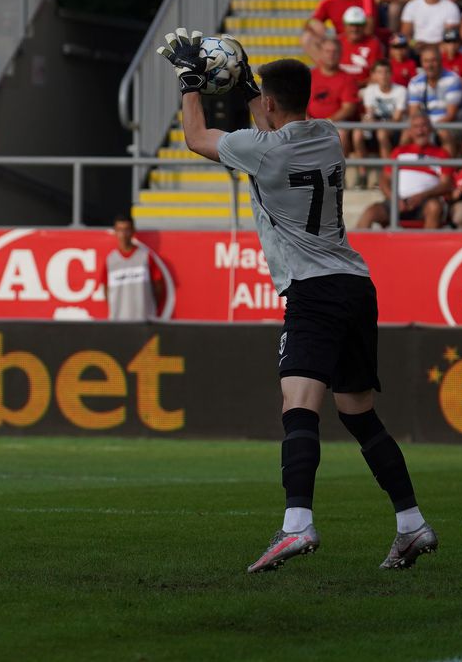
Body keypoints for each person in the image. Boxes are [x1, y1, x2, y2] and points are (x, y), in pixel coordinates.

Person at [157, 31, 436, 572]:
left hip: (312, 290)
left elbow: (195, 137)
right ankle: (411, 524)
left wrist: (192, 85)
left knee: (298, 407)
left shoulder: (259, 151)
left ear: (267, 104)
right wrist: (247, 89)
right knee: (359, 415)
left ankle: (297, 525)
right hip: (355, 284)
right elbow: (268, 124)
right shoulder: (328, 135)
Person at [357, 112, 454, 229]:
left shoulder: (442, 154)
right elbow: (384, 179)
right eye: (416, 127)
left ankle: (426, 247)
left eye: (424, 126)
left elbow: (447, 184)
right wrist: (394, 199)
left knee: (434, 207)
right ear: (410, 131)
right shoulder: (399, 152)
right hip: (397, 201)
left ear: (430, 129)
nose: (420, 131)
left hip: (426, 201)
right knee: (370, 213)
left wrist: (422, 196)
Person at [301, 0, 377, 60]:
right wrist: (313, 23)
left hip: (360, 40)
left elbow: (369, 28)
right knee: (307, 38)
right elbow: (309, 22)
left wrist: (352, 35)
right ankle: (326, 69)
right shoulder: (329, 0)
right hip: (339, 42)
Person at [103, 215, 164, 321]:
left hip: (144, 321)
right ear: (115, 232)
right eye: (120, 230)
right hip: (118, 321)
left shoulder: (145, 256)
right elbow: (106, 289)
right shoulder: (110, 260)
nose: (123, 234)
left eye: (126, 230)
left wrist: (149, 308)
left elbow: (158, 286)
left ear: (133, 231)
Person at [408, 44, 462, 151]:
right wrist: (423, 127)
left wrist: (429, 128)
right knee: (406, 134)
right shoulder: (415, 82)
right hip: (424, 123)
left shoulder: (453, 80)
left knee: (444, 133)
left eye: (433, 60)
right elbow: (413, 113)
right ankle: (400, 165)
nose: (430, 65)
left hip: (447, 122)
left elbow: (450, 115)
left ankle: (448, 167)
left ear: (440, 61)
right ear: (421, 63)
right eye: (426, 61)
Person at [358, 59, 408, 167]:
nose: (383, 75)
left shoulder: (401, 90)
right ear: (374, 75)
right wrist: (372, 121)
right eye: (380, 72)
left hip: (396, 129)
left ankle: (387, 170)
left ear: (391, 74)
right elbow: (369, 114)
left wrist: (376, 122)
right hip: (377, 125)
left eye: (386, 72)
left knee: (382, 133)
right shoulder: (369, 90)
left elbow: (397, 118)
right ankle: (362, 173)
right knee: (357, 133)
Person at [337, 7, 383, 88]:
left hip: (364, 88)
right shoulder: (336, 43)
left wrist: (357, 86)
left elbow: (378, 74)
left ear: (364, 26)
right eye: (351, 25)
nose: (355, 29)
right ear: (345, 25)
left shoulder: (373, 43)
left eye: (358, 25)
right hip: (339, 88)